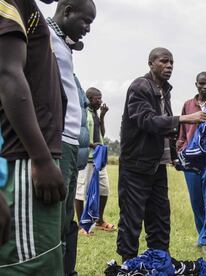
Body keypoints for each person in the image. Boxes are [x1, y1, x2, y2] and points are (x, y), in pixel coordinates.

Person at [117, 47, 206, 262]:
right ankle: (127, 265)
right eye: (164, 61)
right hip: (136, 165)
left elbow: (165, 128)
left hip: (157, 165)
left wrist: (175, 156)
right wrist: (184, 119)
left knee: (159, 217)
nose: (169, 66)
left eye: (172, 63)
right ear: (150, 63)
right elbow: (146, 120)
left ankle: (159, 261)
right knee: (131, 218)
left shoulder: (164, 90)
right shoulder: (140, 86)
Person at [0, 0, 66, 274]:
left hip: (34, 158)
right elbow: (6, 75)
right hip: (24, 159)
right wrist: (40, 158)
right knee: (29, 266)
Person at [47, 1, 96, 274]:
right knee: (52, 221)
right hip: (56, 143)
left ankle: (68, 271)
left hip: (69, 145)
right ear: (66, 11)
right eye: (85, 21)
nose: (88, 29)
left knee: (67, 220)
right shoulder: (43, 34)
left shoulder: (62, 42)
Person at [176, 72, 206, 256]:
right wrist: (179, 150)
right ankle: (203, 232)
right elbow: (182, 130)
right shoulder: (188, 105)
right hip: (190, 156)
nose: (205, 87)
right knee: (196, 200)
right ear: (196, 84)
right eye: (201, 84)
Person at [75, 87, 115, 233]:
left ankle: (99, 220)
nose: (100, 101)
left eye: (101, 98)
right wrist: (92, 145)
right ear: (89, 99)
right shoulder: (83, 112)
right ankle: (81, 225)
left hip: (99, 158)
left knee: (104, 189)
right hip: (86, 158)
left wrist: (102, 116)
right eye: (97, 98)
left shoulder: (95, 113)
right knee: (81, 191)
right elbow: (79, 135)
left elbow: (101, 134)